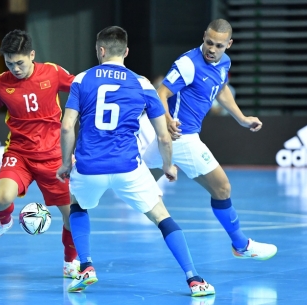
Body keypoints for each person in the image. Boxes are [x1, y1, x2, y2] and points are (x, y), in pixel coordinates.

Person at [56, 26, 215, 297]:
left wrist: (64, 163)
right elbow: (164, 136)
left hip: (89, 165)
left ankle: (86, 265)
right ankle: (194, 279)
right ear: (126, 52)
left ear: (100, 51)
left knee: (76, 204)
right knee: (161, 217)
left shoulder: (82, 80)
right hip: (127, 167)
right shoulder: (142, 83)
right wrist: (167, 166)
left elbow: (67, 127)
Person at [141, 19, 277, 261]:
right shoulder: (188, 64)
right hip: (182, 136)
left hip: (175, 138)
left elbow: (221, 88)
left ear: (229, 44)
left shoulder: (223, 62)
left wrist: (242, 118)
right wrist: (170, 119)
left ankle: (76, 204)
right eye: (209, 42)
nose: (212, 49)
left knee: (134, 184)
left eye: (219, 45)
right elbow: (161, 92)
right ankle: (241, 245)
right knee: (222, 187)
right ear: (204, 36)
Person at [0, 29, 79, 278]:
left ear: (32, 55)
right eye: (9, 63)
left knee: (72, 216)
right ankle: (4, 222)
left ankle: (70, 261)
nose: (14, 68)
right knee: (1, 197)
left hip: (55, 156)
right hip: (20, 153)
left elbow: (81, 89)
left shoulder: (53, 72)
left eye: (19, 62)